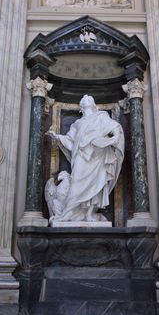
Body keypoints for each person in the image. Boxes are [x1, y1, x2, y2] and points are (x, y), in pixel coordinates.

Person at [47, 94, 124, 222]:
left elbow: (114, 127)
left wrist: (114, 137)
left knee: (96, 185)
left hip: (98, 156)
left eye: (89, 99)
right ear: (81, 108)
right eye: (84, 101)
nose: (86, 98)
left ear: (93, 105)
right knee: (76, 185)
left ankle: (89, 214)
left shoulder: (102, 116)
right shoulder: (77, 123)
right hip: (81, 158)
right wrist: (58, 137)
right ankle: (65, 214)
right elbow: (71, 141)